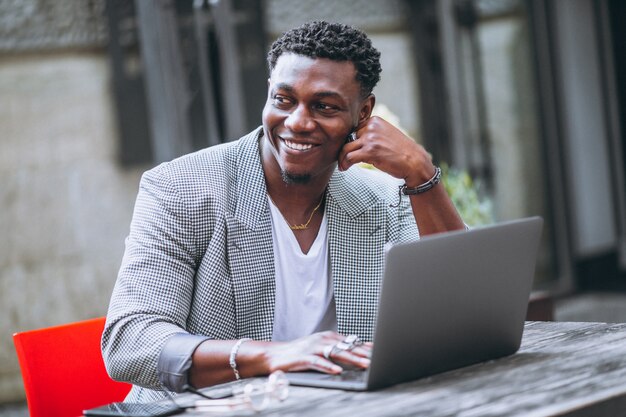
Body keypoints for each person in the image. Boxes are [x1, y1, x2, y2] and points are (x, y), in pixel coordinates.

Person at [102, 20, 465, 402]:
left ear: (364, 114)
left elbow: (462, 307)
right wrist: (273, 356)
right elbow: (130, 340)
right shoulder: (183, 189)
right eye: (284, 99)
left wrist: (422, 174)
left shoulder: (382, 200)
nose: (297, 122)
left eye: (324, 106)